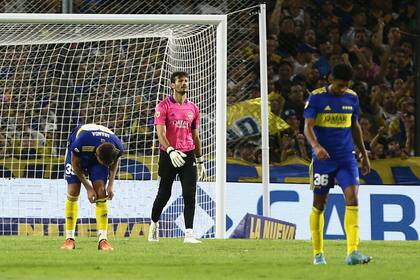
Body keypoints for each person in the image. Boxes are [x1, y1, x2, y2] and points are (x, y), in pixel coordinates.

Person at [303, 64, 372, 265]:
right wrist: (316, 147)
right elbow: (307, 127)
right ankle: (318, 254)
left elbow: (355, 125)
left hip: (346, 158)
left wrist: (364, 154)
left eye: (345, 86)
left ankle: (353, 252)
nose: (342, 89)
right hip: (323, 161)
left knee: (352, 199)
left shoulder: (352, 97)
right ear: (331, 78)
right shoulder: (316, 97)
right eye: (340, 85)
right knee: (319, 204)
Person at [149, 71, 206, 244]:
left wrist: (200, 159)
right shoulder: (163, 106)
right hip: (169, 155)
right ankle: (154, 224)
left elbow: (195, 136)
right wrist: (171, 150)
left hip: (188, 154)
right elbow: (161, 133)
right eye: (180, 81)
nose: (184, 84)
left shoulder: (193, 108)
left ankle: (188, 234)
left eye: (186, 81)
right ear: (172, 85)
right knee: (164, 195)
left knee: (190, 193)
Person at [61, 123, 124, 251]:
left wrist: (110, 185)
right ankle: (69, 239)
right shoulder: (81, 141)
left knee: (101, 192)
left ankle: (103, 240)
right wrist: (88, 188)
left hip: (99, 149)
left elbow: (114, 162)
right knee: (73, 190)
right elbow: (75, 163)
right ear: (97, 156)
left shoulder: (117, 146)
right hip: (77, 154)